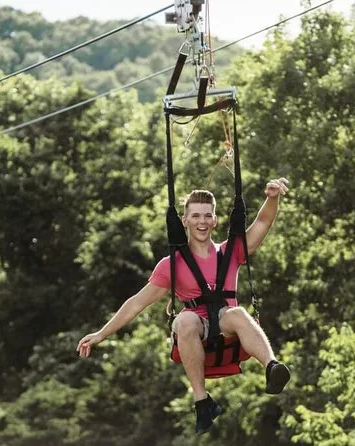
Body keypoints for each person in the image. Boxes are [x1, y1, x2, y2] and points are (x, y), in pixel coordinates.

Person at [77, 178, 291, 434]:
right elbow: (137, 303)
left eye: (207, 216)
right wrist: (102, 334)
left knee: (237, 313)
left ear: (215, 221)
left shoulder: (231, 251)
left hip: (227, 325)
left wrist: (272, 198)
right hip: (195, 330)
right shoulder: (171, 265)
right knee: (185, 319)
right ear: (185, 220)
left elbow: (263, 223)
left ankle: (272, 367)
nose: (202, 221)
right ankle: (203, 402)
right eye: (196, 216)